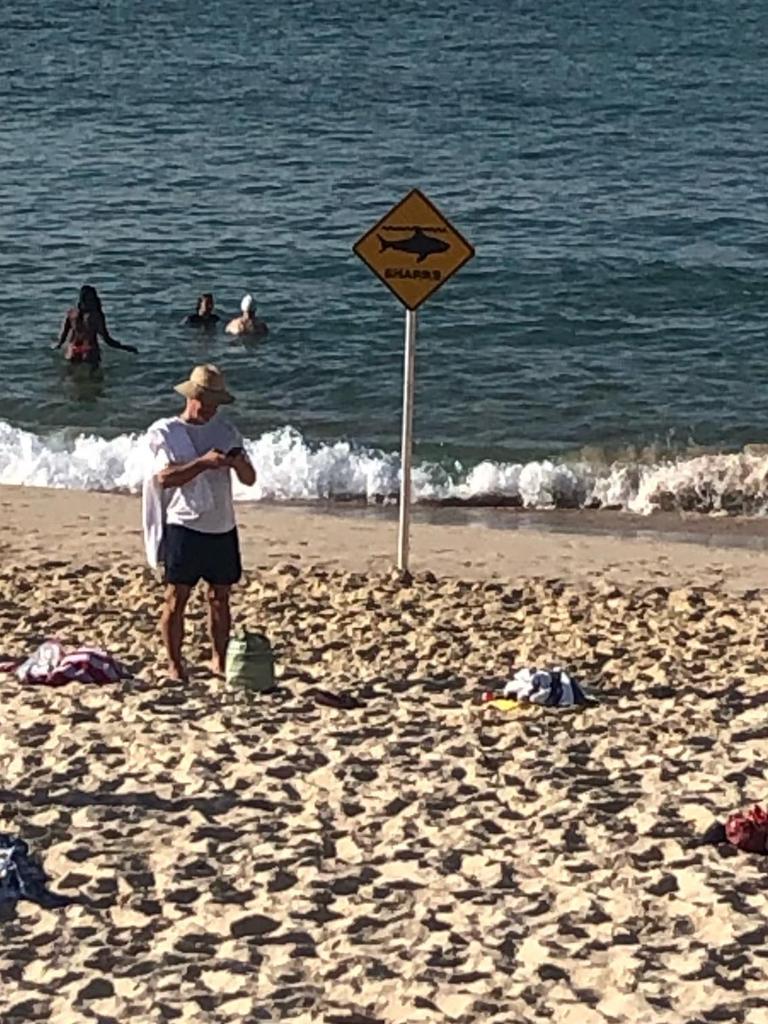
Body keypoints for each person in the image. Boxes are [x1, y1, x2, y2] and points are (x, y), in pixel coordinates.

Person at [142, 364, 256, 682]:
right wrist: (204, 462)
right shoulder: (165, 432)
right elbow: (164, 478)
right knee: (176, 597)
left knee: (220, 597)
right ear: (191, 398)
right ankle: (175, 664)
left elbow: (250, 479)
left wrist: (236, 463)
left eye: (215, 404)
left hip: (222, 525)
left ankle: (219, 660)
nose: (209, 410)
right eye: (205, 403)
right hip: (184, 524)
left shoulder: (226, 430)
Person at [55, 285, 138, 367]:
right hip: (90, 351)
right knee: (96, 379)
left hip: (73, 350)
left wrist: (58, 345)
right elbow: (107, 340)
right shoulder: (96, 316)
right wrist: (125, 348)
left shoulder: (72, 314)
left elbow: (64, 336)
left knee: (71, 378)